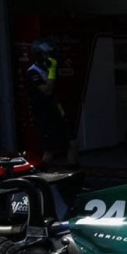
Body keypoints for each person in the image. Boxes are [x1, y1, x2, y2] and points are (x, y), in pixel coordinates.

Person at [25, 39, 78, 167]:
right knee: (50, 150)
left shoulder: (47, 68)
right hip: (43, 115)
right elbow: (47, 90)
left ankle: (73, 170)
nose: (48, 57)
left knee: (72, 143)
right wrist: (52, 71)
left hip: (55, 111)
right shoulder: (32, 72)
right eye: (46, 54)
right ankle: (44, 173)